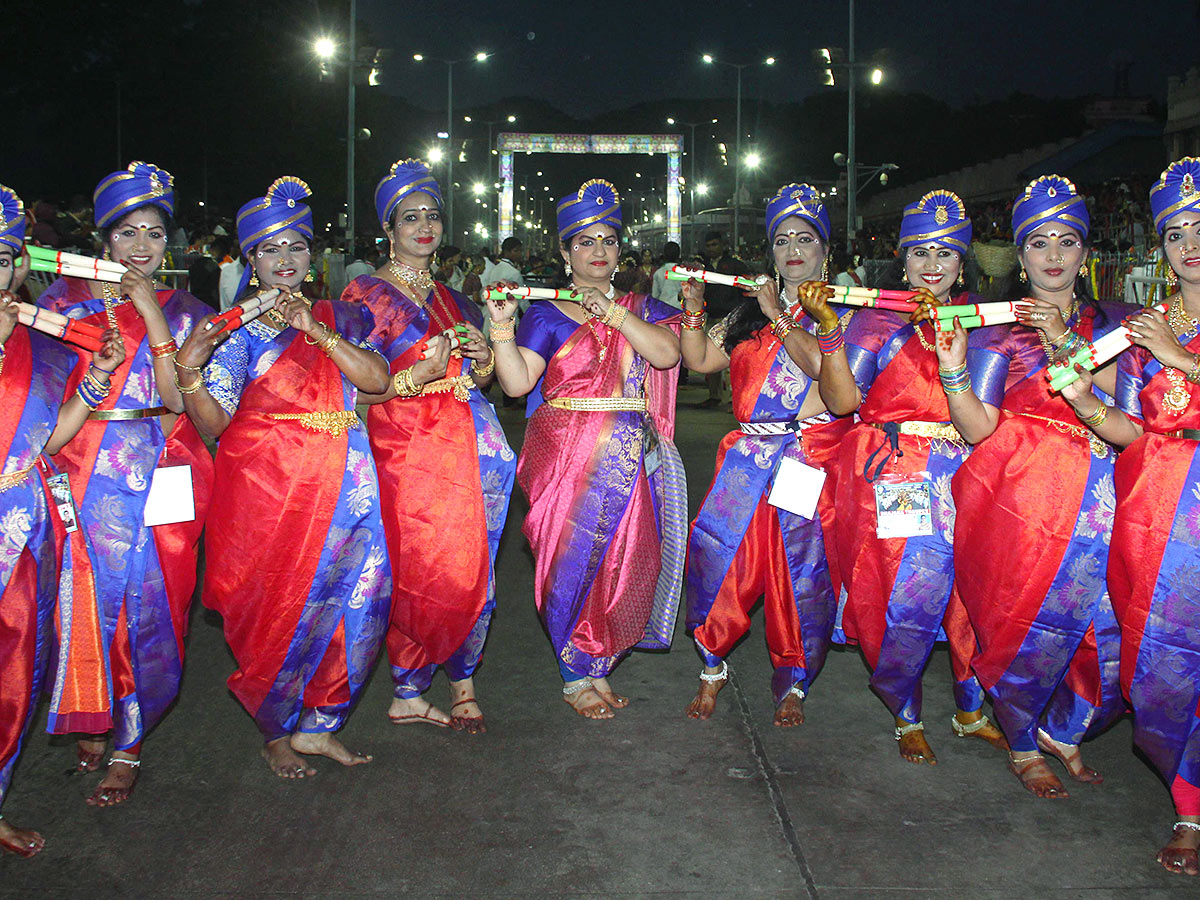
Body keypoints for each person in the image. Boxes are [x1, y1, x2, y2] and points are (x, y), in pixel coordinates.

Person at [176, 177, 391, 778]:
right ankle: (276, 727)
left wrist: (315, 330)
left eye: (295, 246)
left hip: (346, 479)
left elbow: (376, 380)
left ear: (312, 253)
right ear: (251, 261)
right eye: (270, 251)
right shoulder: (234, 328)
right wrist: (191, 369)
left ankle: (321, 724)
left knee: (361, 596)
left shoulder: (343, 313)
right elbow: (215, 421)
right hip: (266, 483)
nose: (285, 261)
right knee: (273, 601)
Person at [798, 189, 1005, 765]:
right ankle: (906, 711)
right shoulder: (872, 322)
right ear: (901, 259)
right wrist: (831, 331)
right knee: (906, 596)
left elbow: (988, 418)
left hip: (968, 475)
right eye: (919, 253)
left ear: (963, 263)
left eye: (945, 253)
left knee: (970, 596)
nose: (932, 265)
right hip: (899, 476)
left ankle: (969, 708)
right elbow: (841, 403)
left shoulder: (984, 325)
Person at [942, 175, 1128, 798]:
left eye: (1067, 242)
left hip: (1107, 494)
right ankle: (1023, 740)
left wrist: (1064, 339)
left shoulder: (1121, 325)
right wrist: (952, 371)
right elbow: (976, 426)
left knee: (1109, 625)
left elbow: (1132, 405)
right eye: (1039, 243)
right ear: (1019, 256)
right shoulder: (996, 332)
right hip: (1021, 497)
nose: (1053, 255)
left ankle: (1069, 730)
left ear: (1085, 253)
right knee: (1025, 617)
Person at [38, 161, 214, 807]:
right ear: (104, 239)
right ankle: (90, 712)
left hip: (160, 464)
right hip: (79, 467)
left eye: (156, 235)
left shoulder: (190, 309)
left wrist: (149, 311)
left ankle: (128, 742)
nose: (142, 247)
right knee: (80, 601)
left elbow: (178, 399)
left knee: (150, 610)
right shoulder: (60, 302)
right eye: (128, 233)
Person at [488, 179, 684, 719]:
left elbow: (667, 356)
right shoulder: (546, 313)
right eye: (584, 242)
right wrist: (503, 332)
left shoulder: (642, 308)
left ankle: (595, 662)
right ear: (564, 250)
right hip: (562, 458)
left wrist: (615, 315)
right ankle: (573, 674)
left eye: (608, 240)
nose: (598, 252)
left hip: (627, 454)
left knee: (621, 559)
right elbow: (516, 384)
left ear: (621, 249)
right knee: (565, 560)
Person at [1059, 158, 1200, 874]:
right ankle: (1188, 803)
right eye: (1176, 232)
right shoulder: (1142, 327)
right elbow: (1138, 429)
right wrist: (1085, 401)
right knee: (1162, 661)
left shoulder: (1163, 338)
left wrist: (1184, 358)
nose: (1190, 244)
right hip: (1155, 511)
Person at [343, 159, 514, 733]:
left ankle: (464, 677)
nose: (423, 226)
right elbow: (350, 388)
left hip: (473, 449)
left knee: (474, 565)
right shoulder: (364, 294)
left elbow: (480, 379)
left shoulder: (456, 298)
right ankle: (409, 688)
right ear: (387, 231)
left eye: (432, 217)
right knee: (419, 567)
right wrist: (417, 377)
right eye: (409, 217)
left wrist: (484, 358)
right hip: (405, 449)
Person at [682, 184, 846, 726]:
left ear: (826, 250)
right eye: (782, 241)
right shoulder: (749, 313)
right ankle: (711, 665)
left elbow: (825, 373)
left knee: (794, 573)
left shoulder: (843, 313)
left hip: (805, 456)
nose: (793, 250)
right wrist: (691, 313)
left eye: (805, 239)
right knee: (721, 559)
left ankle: (795, 677)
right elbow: (703, 359)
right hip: (746, 458)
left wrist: (781, 315)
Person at [0, 186, 124, 856]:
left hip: (22, 526)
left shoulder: (42, 351)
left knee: (16, 671)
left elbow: (47, 442)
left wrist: (96, 377)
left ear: (18, 269)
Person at [700, 231, 746, 407]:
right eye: (709, 245)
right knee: (711, 358)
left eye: (714, 244)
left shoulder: (735, 265)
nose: (712, 248)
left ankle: (736, 398)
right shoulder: (704, 267)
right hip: (712, 317)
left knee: (735, 358)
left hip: (733, 317)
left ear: (722, 245)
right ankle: (715, 396)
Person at [651, 241, 683, 308]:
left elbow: (655, 296)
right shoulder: (684, 273)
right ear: (678, 254)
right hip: (680, 308)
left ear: (664, 255)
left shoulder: (658, 273)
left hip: (663, 308)